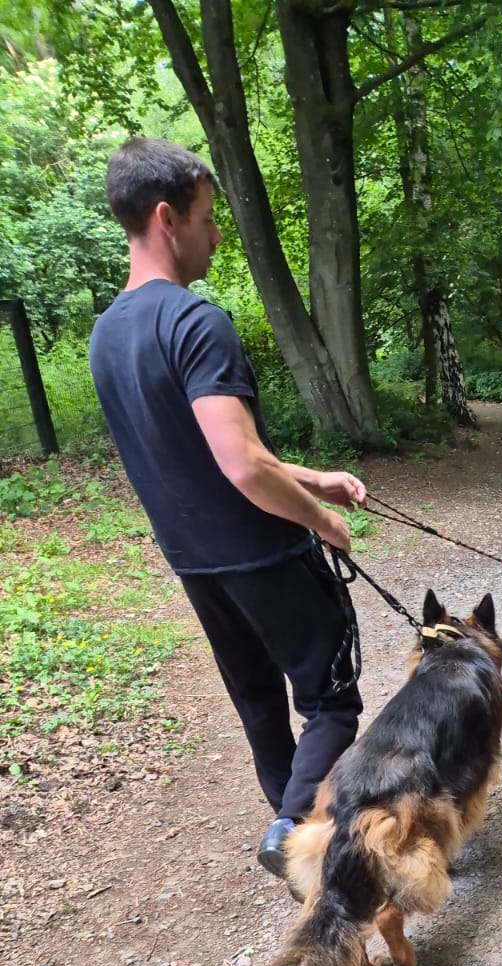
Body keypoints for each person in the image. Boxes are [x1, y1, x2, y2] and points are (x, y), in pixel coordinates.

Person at [88, 137, 365, 883]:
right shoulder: (195, 322)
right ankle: (295, 826)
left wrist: (314, 478)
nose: (216, 235)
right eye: (208, 218)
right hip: (264, 554)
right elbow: (241, 464)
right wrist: (320, 519)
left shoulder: (106, 336)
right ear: (166, 217)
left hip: (196, 564)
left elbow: (202, 453)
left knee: (258, 702)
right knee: (331, 702)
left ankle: (294, 836)